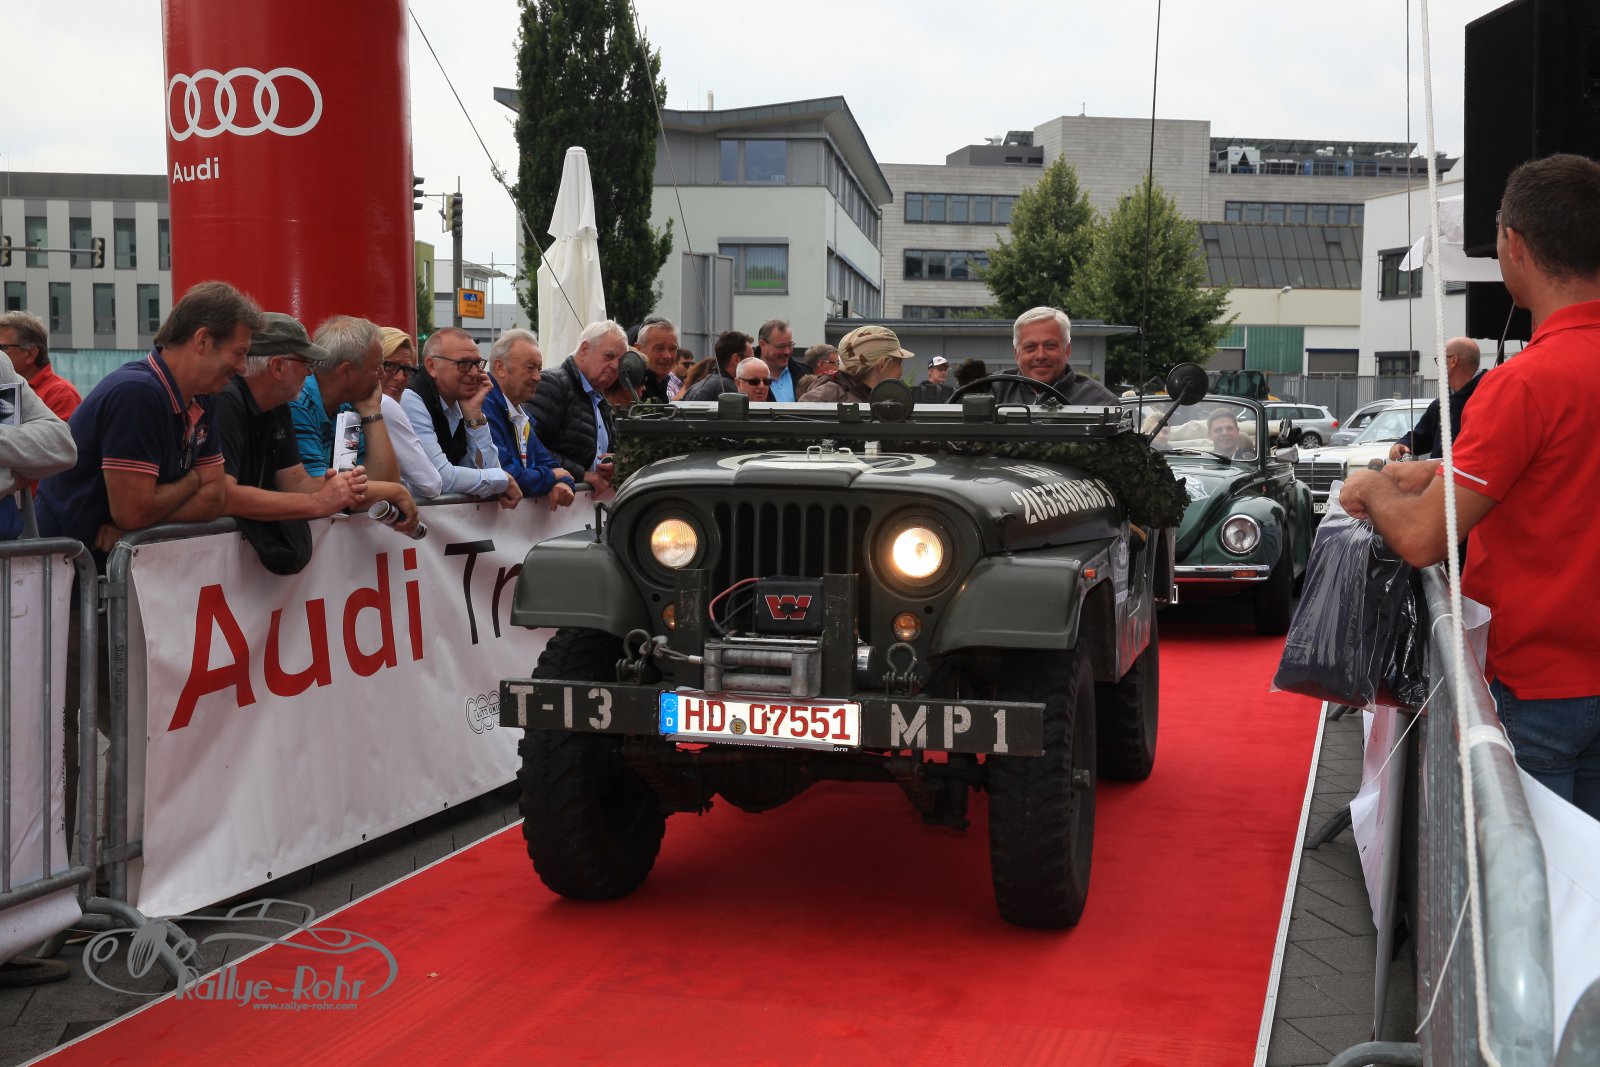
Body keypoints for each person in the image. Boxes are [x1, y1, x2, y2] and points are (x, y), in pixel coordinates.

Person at [1340, 153, 1600, 820]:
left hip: (1541, 687)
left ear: (1514, 245)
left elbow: (1423, 537)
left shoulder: (1524, 383)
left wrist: (1371, 486)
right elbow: (1562, 470)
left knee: (1529, 876)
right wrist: (1436, 471)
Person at [37, 280, 260, 553]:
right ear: (202, 340)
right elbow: (134, 512)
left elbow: (215, 497)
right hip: (69, 568)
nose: (242, 367)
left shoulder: (204, 395)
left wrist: (139, 526)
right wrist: (193, 481)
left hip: (103, 565)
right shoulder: (137, 393)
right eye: (239, 353)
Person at [213, 312, 391, 524]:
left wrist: (342, 490)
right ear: (278, 367)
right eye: (306, 362)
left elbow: (298, 484)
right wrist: (318, 501)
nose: (310, 373)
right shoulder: (227, 400)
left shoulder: (279, 404)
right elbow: (220, 495)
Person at [402, 327, 521, 507]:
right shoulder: (411, 397)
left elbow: (489, 468)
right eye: (463, 364)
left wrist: (474, 413)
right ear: (432, 366)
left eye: (477, 363)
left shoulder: (460, 400)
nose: (474, 373)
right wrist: (502, 479)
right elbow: (440, 478)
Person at [288, 316, 402, 483]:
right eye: (376, 367)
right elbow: (315, 490)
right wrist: (397, 491)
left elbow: (383, 481)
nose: (382, 375)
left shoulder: (347, 407)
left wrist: (371, 409)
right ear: (347, 372)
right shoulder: (298, 402)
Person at [484, 329, 576, 510]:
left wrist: (563, 482)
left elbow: (553, 466)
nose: (537, 377)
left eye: (539, 369)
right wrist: (552, 477)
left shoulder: (519, 413)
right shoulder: (483, 407)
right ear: (500, 368)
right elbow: (504, 474)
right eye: (530, 368)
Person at [530, 319, 625, 492]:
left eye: (621, 361)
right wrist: (583, 475)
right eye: (609, 356)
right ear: (584, 350)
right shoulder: (552, 384)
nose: (615, 366)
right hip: (555, 503)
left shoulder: (599, 398)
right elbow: (528, 446)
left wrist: (614, 461)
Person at [0, 360, 76, 540]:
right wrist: (12, 464)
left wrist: (7, 472)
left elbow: (62, 445)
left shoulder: (1, 365)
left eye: (7, 346)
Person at [990, 307, 1117, 406]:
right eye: (1030, 347)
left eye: (1050, 346)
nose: (1041, 355)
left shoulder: (1101, 402)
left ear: (1067, 351)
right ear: (1016, 354)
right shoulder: (992, 390)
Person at [1389, 337, 1485, 460]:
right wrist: (1404, 443)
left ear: (1453, 361)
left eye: (1440, 360)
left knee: (1390, 470)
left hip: (1465, 468)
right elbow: (1422, 436)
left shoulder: (1487, 397)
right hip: (1442, 468)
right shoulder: (1440, 404)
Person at [375, 327, 444, 499]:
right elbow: (431, 485)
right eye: (390, 365)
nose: (400, 377)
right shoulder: (385, 404)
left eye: (407, 369)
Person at [0, 310, 81, 420]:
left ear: (30, 353)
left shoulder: (62, 394)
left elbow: (59, 431)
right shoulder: (8, 387)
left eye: (2, 348)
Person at [799, 325, 909, 403]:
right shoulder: (823, 398)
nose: (901, 370)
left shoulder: (874, 396)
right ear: (882, 365)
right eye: (899, 362)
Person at [680, 331, 753, 402]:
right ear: (736, 359)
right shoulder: (729, 389)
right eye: (750, 359)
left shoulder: (693, 388)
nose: (754, 363)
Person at [756, 319, 810, 401]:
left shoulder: (805, 373)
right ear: (762, 345)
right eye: (781, 346)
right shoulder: (746, 376)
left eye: (790, 345)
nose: (787, 351)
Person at [635, 318, 679, 403]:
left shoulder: (662, 383)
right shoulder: (629, 389)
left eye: (672, 349)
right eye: (660, 348)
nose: (668, 356)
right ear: (638, 349)